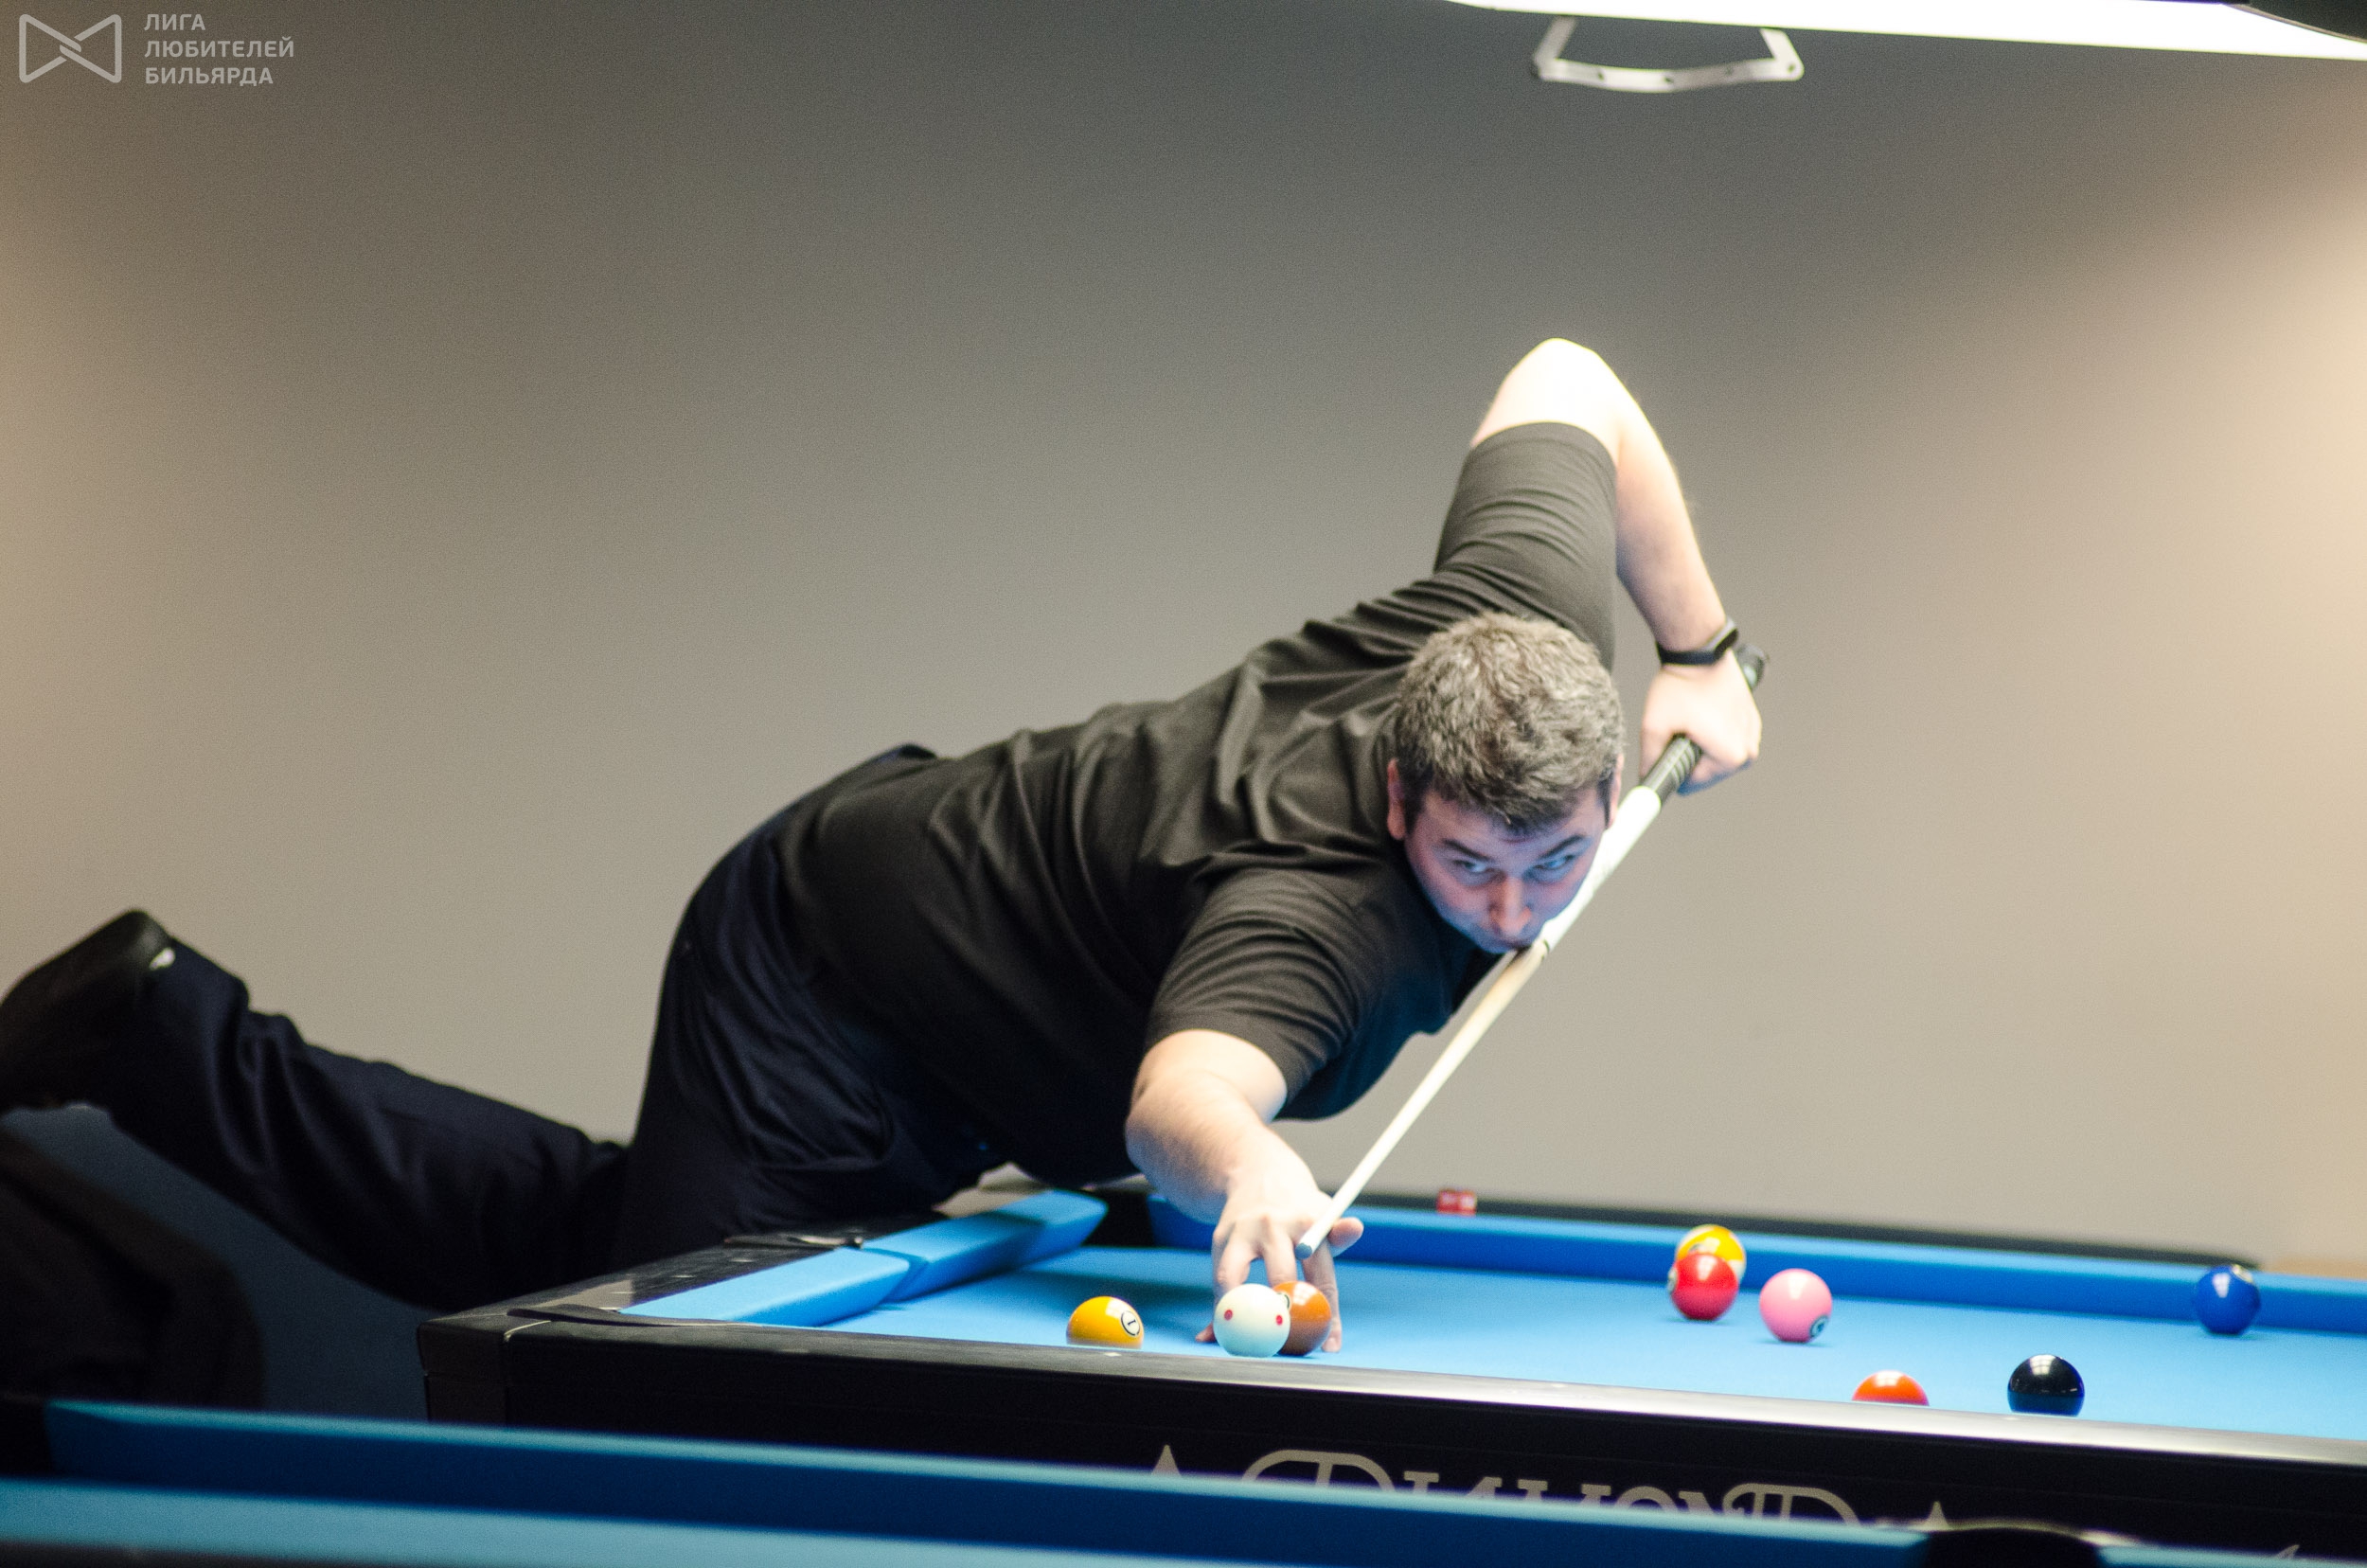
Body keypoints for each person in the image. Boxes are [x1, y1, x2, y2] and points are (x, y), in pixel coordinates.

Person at [0, 340, 1758, 1349]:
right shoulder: (1326, 922)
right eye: (1470, 868)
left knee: (622, 1234)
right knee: (643, 1337)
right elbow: (1181, 1096)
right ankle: (154, 1036)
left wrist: (1696, 647)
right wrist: (1254, 1170)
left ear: (1598, 767)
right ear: (1395, 801)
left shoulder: (1516, 624)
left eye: (1556, 862)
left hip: (955, 912)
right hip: (828, 992)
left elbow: (1570, 377)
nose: (1514, 910)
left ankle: (163, 1029)